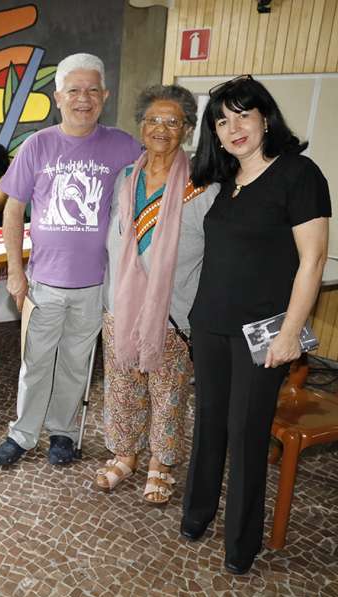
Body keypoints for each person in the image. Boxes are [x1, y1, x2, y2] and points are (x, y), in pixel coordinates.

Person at [180, 75, 330, 575]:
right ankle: (197, 515)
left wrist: (291, 333)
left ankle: (241, 545)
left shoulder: (299, 174)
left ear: (266, 117)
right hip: (210, 325)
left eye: (244, 114)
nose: (234, 127)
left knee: (247, 434)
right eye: (222, 121)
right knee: (208, 426)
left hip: (262, 335)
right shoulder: (226, 184)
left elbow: (312, 262)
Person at [0, 53, 141, 467]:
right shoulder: (38, 145)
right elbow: (12, 210)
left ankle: (63, 432)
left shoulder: (124, 145)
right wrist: (16, 274)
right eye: (74, 90)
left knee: (77, 364)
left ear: (105, 95)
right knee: (35, 363)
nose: (84, 98)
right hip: (43, 282)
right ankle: (22, 434)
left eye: (93, 90)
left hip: (95, 283)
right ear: (58, 96)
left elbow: (155, 183)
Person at [96, 85, 219, 504]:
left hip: (173, 311)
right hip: (121, 307)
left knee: (169, 393)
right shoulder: (125, 178)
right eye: (153, 120)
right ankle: (126, 455)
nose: (161, 129)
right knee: (121, 387)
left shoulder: (203, 188)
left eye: (172, 121)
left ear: (186, 129)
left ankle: (161, 464)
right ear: (141, 126)